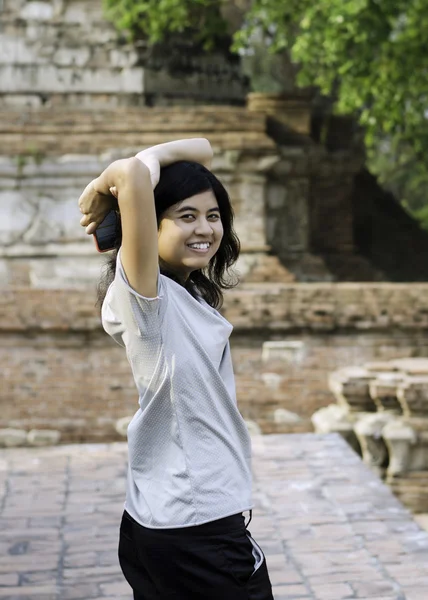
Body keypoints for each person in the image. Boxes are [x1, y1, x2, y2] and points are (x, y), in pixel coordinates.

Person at [77, 138, 275, 600]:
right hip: (197, 528)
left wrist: (134, 171)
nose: (204, 228)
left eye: (212, 215)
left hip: (166, 517)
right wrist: (108, 182)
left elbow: (203, 149)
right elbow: (129, 176)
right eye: (185, 216)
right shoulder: (149, 300)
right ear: (148, 223)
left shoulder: (179, 293)